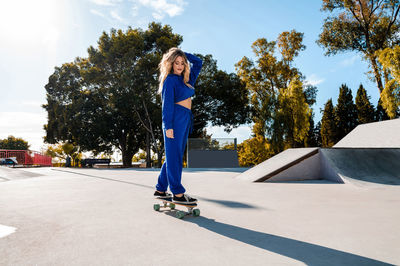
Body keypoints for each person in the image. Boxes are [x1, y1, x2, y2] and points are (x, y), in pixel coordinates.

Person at [154, 47, 203, 204]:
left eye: (182, 63)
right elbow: (167, 105)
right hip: (174, 120)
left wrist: (182, 53)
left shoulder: (187, 80)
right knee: (174, 156)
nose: (180, 65)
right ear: (170, 64)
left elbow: (199, 62)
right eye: (177, 62)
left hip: (185, 119)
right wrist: (168, 126)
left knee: (173, 156)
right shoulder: (169, 80)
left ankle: (160, 189)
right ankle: (177, 193)